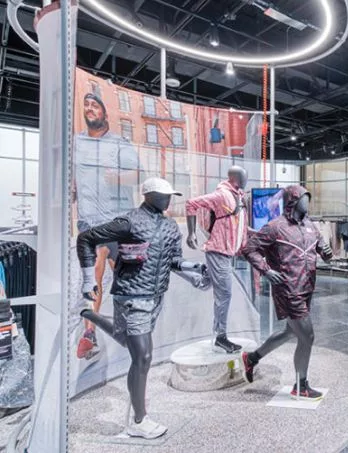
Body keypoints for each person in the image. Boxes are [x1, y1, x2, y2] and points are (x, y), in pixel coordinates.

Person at [78, 178, 208, 439]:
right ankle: (139, 420)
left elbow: (173, 260)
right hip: (132, 296)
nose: (167, 200)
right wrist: (88, 279)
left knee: (129, 342)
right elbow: (86, 238)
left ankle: (89, 315)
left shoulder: (170, 226)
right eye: (162, 195)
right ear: (148, 195)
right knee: (143, 357)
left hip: (156, 296)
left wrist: (192, 272)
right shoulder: (128, 222)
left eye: (169, 195)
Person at [240, 185, 333, 401]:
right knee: (307, 336)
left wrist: (328, 253)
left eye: (308, 198)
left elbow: (324, 251)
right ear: (292, 200)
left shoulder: (310, 226)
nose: (307, 203)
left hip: (307, 287)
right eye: (303, 198)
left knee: (291, 332)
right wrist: (266, 270)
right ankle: (301, 386)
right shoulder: (275, 227)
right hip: (288, 289)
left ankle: (252, 358)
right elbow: (249, 249)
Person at [75, 92, 140, 359]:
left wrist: (118, 178)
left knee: (122, 275)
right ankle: (89, 332)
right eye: (86, 105)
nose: (90, 109)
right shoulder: (77, 142)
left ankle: (129, 325)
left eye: (95, 105)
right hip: (90, 221)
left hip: (117, 219)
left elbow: (136, 176)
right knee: (96, 271)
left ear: (104, 112)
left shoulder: (119, 143)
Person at [185, 166, 249, 353]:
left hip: (226, 252)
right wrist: (191, 233)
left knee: (205, 283)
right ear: (234, 178)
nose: (245, 179)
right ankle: (220, 338)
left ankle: (182, 266)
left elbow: (239, 225)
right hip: (219, 251)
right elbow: (191, 203)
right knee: (224, 294)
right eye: (242, 176)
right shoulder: (222, 195)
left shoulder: (239, 196)